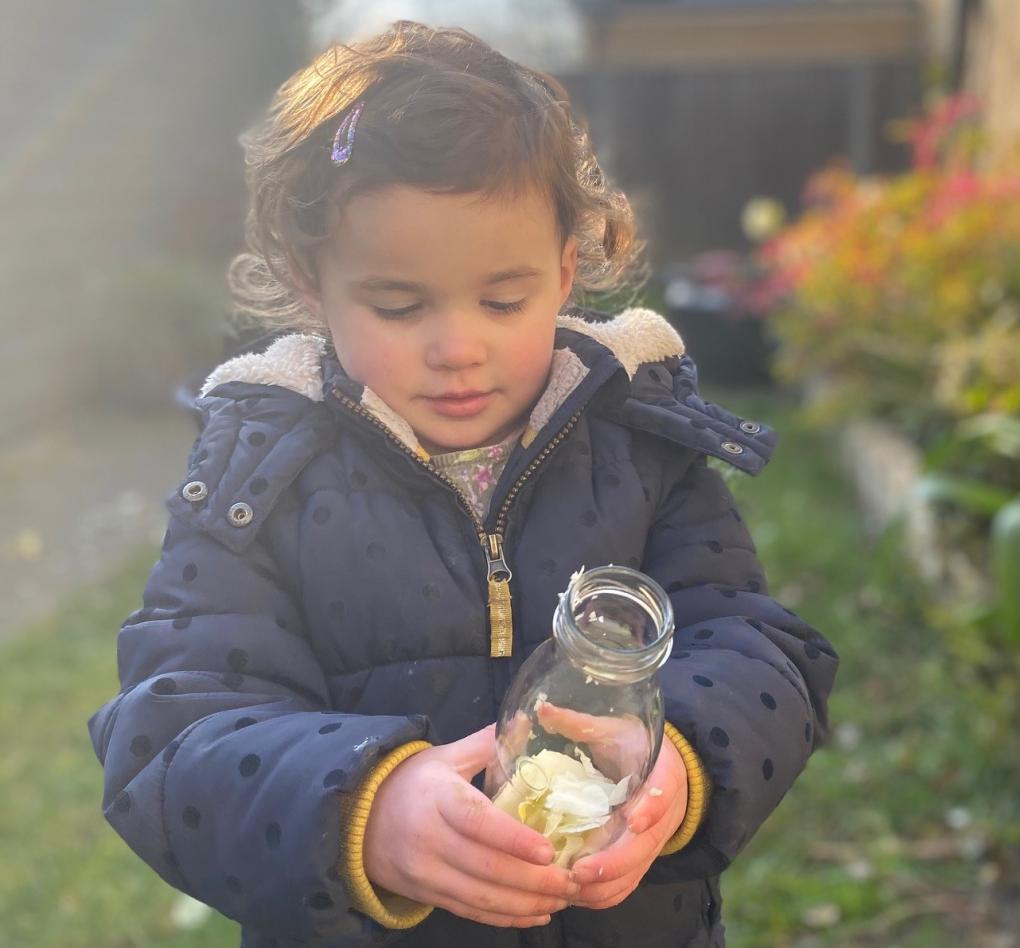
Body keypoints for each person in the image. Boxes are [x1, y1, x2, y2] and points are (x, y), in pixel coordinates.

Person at [88, 20, 838, 948]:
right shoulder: (260, 482)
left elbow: (760, 648)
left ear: (566, 272)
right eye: (398, 305)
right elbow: (168, 739)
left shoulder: (641, 448)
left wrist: (681, 758)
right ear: (311, 282)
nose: (457, 348)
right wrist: (365, 807)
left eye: (502, 300)